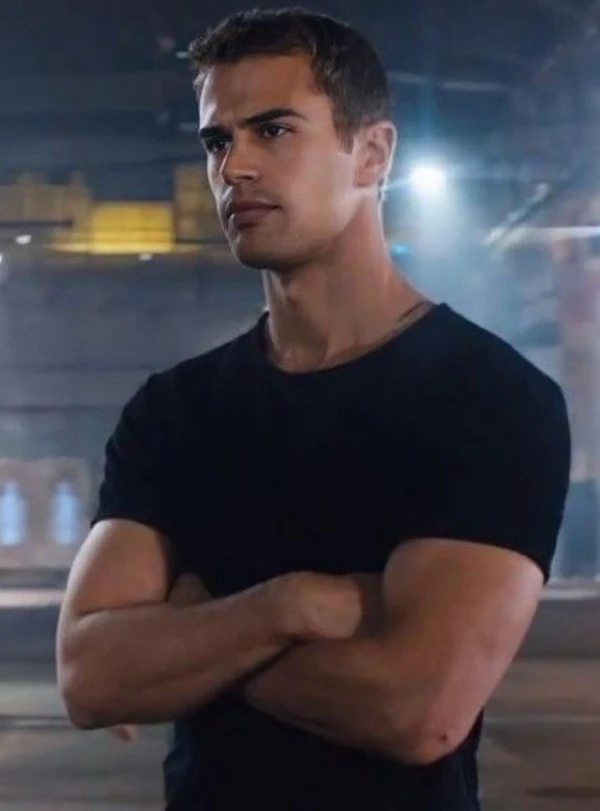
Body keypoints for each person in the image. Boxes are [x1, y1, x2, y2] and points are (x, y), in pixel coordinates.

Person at [56, 8, 571, 811]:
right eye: (217, 141)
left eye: (273, 130)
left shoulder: (488, 398)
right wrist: (285, 606)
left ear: (373, 153)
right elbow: (90, 675)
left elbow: (417, 710)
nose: (234, 168)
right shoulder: (176, 410)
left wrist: (193, 625)